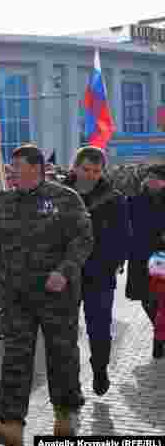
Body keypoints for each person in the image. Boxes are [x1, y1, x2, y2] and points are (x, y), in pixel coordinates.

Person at [0, 145, 93, 446]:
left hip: (57, 295)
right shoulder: (0, 203)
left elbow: (83, 239)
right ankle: (12, 424)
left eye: (16, 165)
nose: (9, 169)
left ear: (36, 167)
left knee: (62, 354)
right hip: (15, 296)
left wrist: (64, 271)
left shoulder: (65, 199)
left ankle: (65, 416)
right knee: (16, 357)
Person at [62, 146, 128, 395]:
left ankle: (100, 369)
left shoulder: (114, 198)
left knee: (99, 327)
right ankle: (70, 382)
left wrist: (113, 262)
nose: (90, 175)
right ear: (75, 167)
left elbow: (123, 236)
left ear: (103, 171)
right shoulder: (57, 195)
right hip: (64, 274)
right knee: (63, 332)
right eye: (85, 169)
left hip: (99, 274)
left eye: (96, 171)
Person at [127, 163, 165, 360]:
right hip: (140, 255)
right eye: (149, 177)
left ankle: (159, 339)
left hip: (161, 256)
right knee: (145, 298)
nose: (152, 181)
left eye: (157, 177)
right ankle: (160, 331)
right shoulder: (134, 200)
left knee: (159, 298)